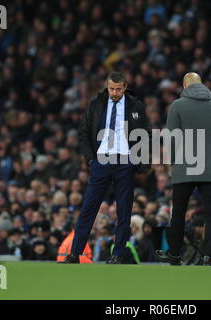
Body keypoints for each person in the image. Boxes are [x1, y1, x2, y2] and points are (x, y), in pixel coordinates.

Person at [62, 72, 150, 264]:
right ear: (107, 86)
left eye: (118, 89)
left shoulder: (136, 106)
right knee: (88, 209)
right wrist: (91, 160)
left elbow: (146, 134)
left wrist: (140, 162)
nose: (115, 93)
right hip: (101, 162)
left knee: (124, 211)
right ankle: (75, 253)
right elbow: (83, 133)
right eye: (111, 89)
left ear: (125, 87)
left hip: (125, 162)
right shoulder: (96, 104)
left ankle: (118, 255)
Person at [155, 72, 211, 266]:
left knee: (179, 211)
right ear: (202, 85)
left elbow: (172, 138)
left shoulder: (178, 106)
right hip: (210, 168)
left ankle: (174, 253)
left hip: (184, 166)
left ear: (184, 85)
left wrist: (174, 161)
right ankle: (207, 255)